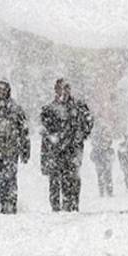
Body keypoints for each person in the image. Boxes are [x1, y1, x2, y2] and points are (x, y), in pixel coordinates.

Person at [40, 78, 94, 212]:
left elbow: (88, 122)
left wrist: (81, 135)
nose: (63, 92)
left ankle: (72, 205)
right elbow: (46, 130)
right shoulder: (49, 109)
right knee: (55, 179)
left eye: (66, 89)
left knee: (72, 177)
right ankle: (56, 206)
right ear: (55, 91)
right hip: (55, 149)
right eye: (60, 89)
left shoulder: (79, 107)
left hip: (73, 148)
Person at [0, 80, 30, 214]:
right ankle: (4, 202)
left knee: (11, 177)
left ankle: (11, 203)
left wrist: (25, 149)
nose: (1, 91)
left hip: (12, 150)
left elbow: (24, 130)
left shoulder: (15, 108)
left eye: (4, 88)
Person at [90, 125, 115, 197]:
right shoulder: (98, 146)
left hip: (105, 163)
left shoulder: (106, 144)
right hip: (101, 163)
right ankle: (104, 192)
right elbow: (93, 155)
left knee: (107, 177)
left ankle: (108, 191)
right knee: (103, 177)